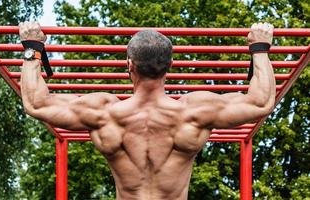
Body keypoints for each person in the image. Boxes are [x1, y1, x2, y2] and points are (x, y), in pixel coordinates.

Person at [19, 21, 275, 200]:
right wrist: (260, 48)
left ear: (129, 64)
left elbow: (35, 102)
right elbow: (260, 101)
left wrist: (33, 47)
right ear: (170, 65)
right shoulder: (194, 113)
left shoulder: (103, 113)